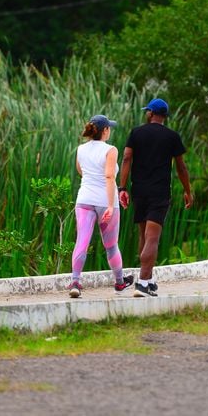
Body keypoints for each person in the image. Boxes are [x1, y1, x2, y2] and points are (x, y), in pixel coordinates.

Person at [118, 98, 193, 297]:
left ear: (151, 113)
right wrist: (188, 190)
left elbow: (126, 158)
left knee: (144, 235)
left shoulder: (136, 133)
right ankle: (142, 283)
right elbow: (181, 167)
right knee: (153, 237)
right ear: (164, 116)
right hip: (159, 192)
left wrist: (122, 188)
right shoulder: (172, 137)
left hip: (139, 191)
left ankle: (149, 279)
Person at [69, 114, 135, 298]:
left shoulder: (80, 149)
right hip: (106, 201)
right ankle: (120, 283)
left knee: (82, 240)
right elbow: (109, 176)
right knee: (111, 245)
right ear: (105, 130)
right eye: (109, 128)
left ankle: (75, 282)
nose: (110, 131)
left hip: (84, 199)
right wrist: (108, 204)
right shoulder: (111, 150)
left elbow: (81, 170)